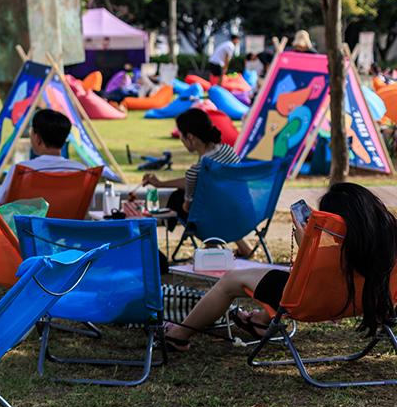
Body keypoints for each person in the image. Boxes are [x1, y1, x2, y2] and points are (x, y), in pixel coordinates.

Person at [162, 182, 397, 351]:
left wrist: (305, 243)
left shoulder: (326, 254)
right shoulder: (386, 243)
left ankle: (178, 335)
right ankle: (259, 321)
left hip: (311, 302)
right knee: (278, 276)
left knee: (231, 280)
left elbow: (308, 276)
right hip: (366, 301)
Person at [142, 109, 245, 252]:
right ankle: (243, 246)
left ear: (190, 137)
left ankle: (212, 246)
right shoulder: (228, 151)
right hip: (242, 213)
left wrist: (179, 195)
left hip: (219, 221)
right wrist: (160, 184)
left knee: (178, 199)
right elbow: (195, 179)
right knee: (217, 201)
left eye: (181, 136)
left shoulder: (197, 170)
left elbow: (187, 205)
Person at [0, 108, 87, 205]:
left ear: (37, 138)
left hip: (24, 228)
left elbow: (0, 202)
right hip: (63, 226)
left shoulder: (23, 170)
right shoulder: (81, 171)